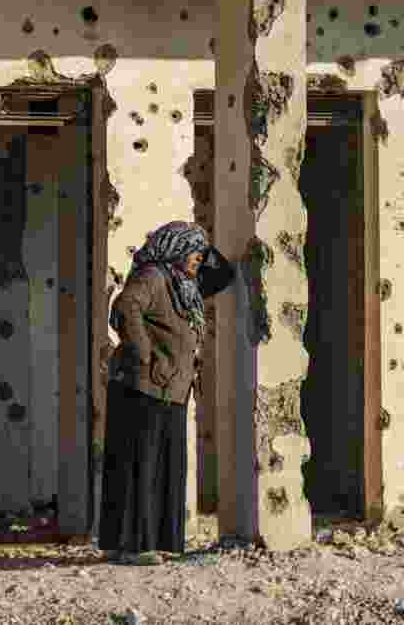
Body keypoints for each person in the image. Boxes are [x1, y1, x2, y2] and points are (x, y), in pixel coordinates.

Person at [99, 221, 235, 565]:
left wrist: (202, 242)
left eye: (201, 254)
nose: (199, 260)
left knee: (163, 466)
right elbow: (125, 307)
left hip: (169, 389)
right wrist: (145, 354)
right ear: (174, 250)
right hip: (142, 386)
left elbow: (224, 276)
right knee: (139, 465)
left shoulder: (184, 284)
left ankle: (151, 542)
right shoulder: (154, 277)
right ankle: (133, 546)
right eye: (193, 252)